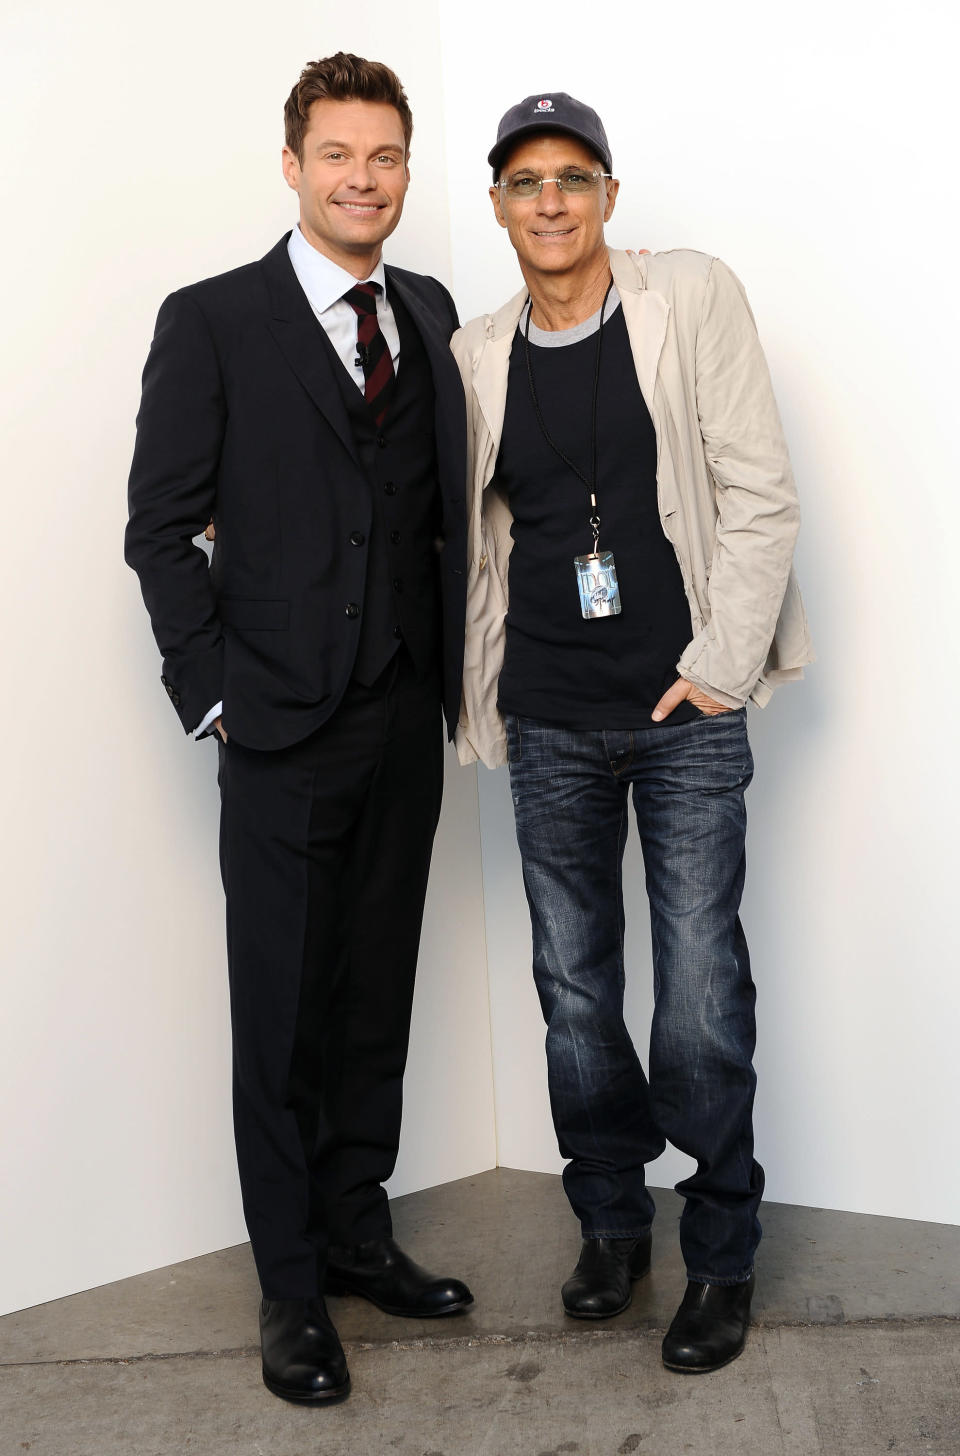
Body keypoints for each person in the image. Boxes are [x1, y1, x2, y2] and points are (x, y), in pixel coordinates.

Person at [125, 52, 473, 1407]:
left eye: (385, 156)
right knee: (278, 1016)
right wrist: (212, 693)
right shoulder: (211, 320)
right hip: (274, 724)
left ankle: (355, 1234)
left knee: (374, 990)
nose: (363, 179)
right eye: (338, 154)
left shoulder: (434, 309)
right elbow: (160, 530)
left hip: (402, 711)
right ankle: (289, 1291)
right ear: (292, 164)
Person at [452, 92, 813, 1373]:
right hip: (548, 712)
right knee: (573, 990)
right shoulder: (476, 350)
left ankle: (719, 1250)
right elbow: (462, 533)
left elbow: (761, 491)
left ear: (609, 193)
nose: (550, 200)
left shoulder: (689, 297)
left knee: (703, 986)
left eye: (573, 176)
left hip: (685, 711)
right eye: (525, 180)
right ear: (496, 203)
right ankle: (611, 1222)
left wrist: (719, 670)